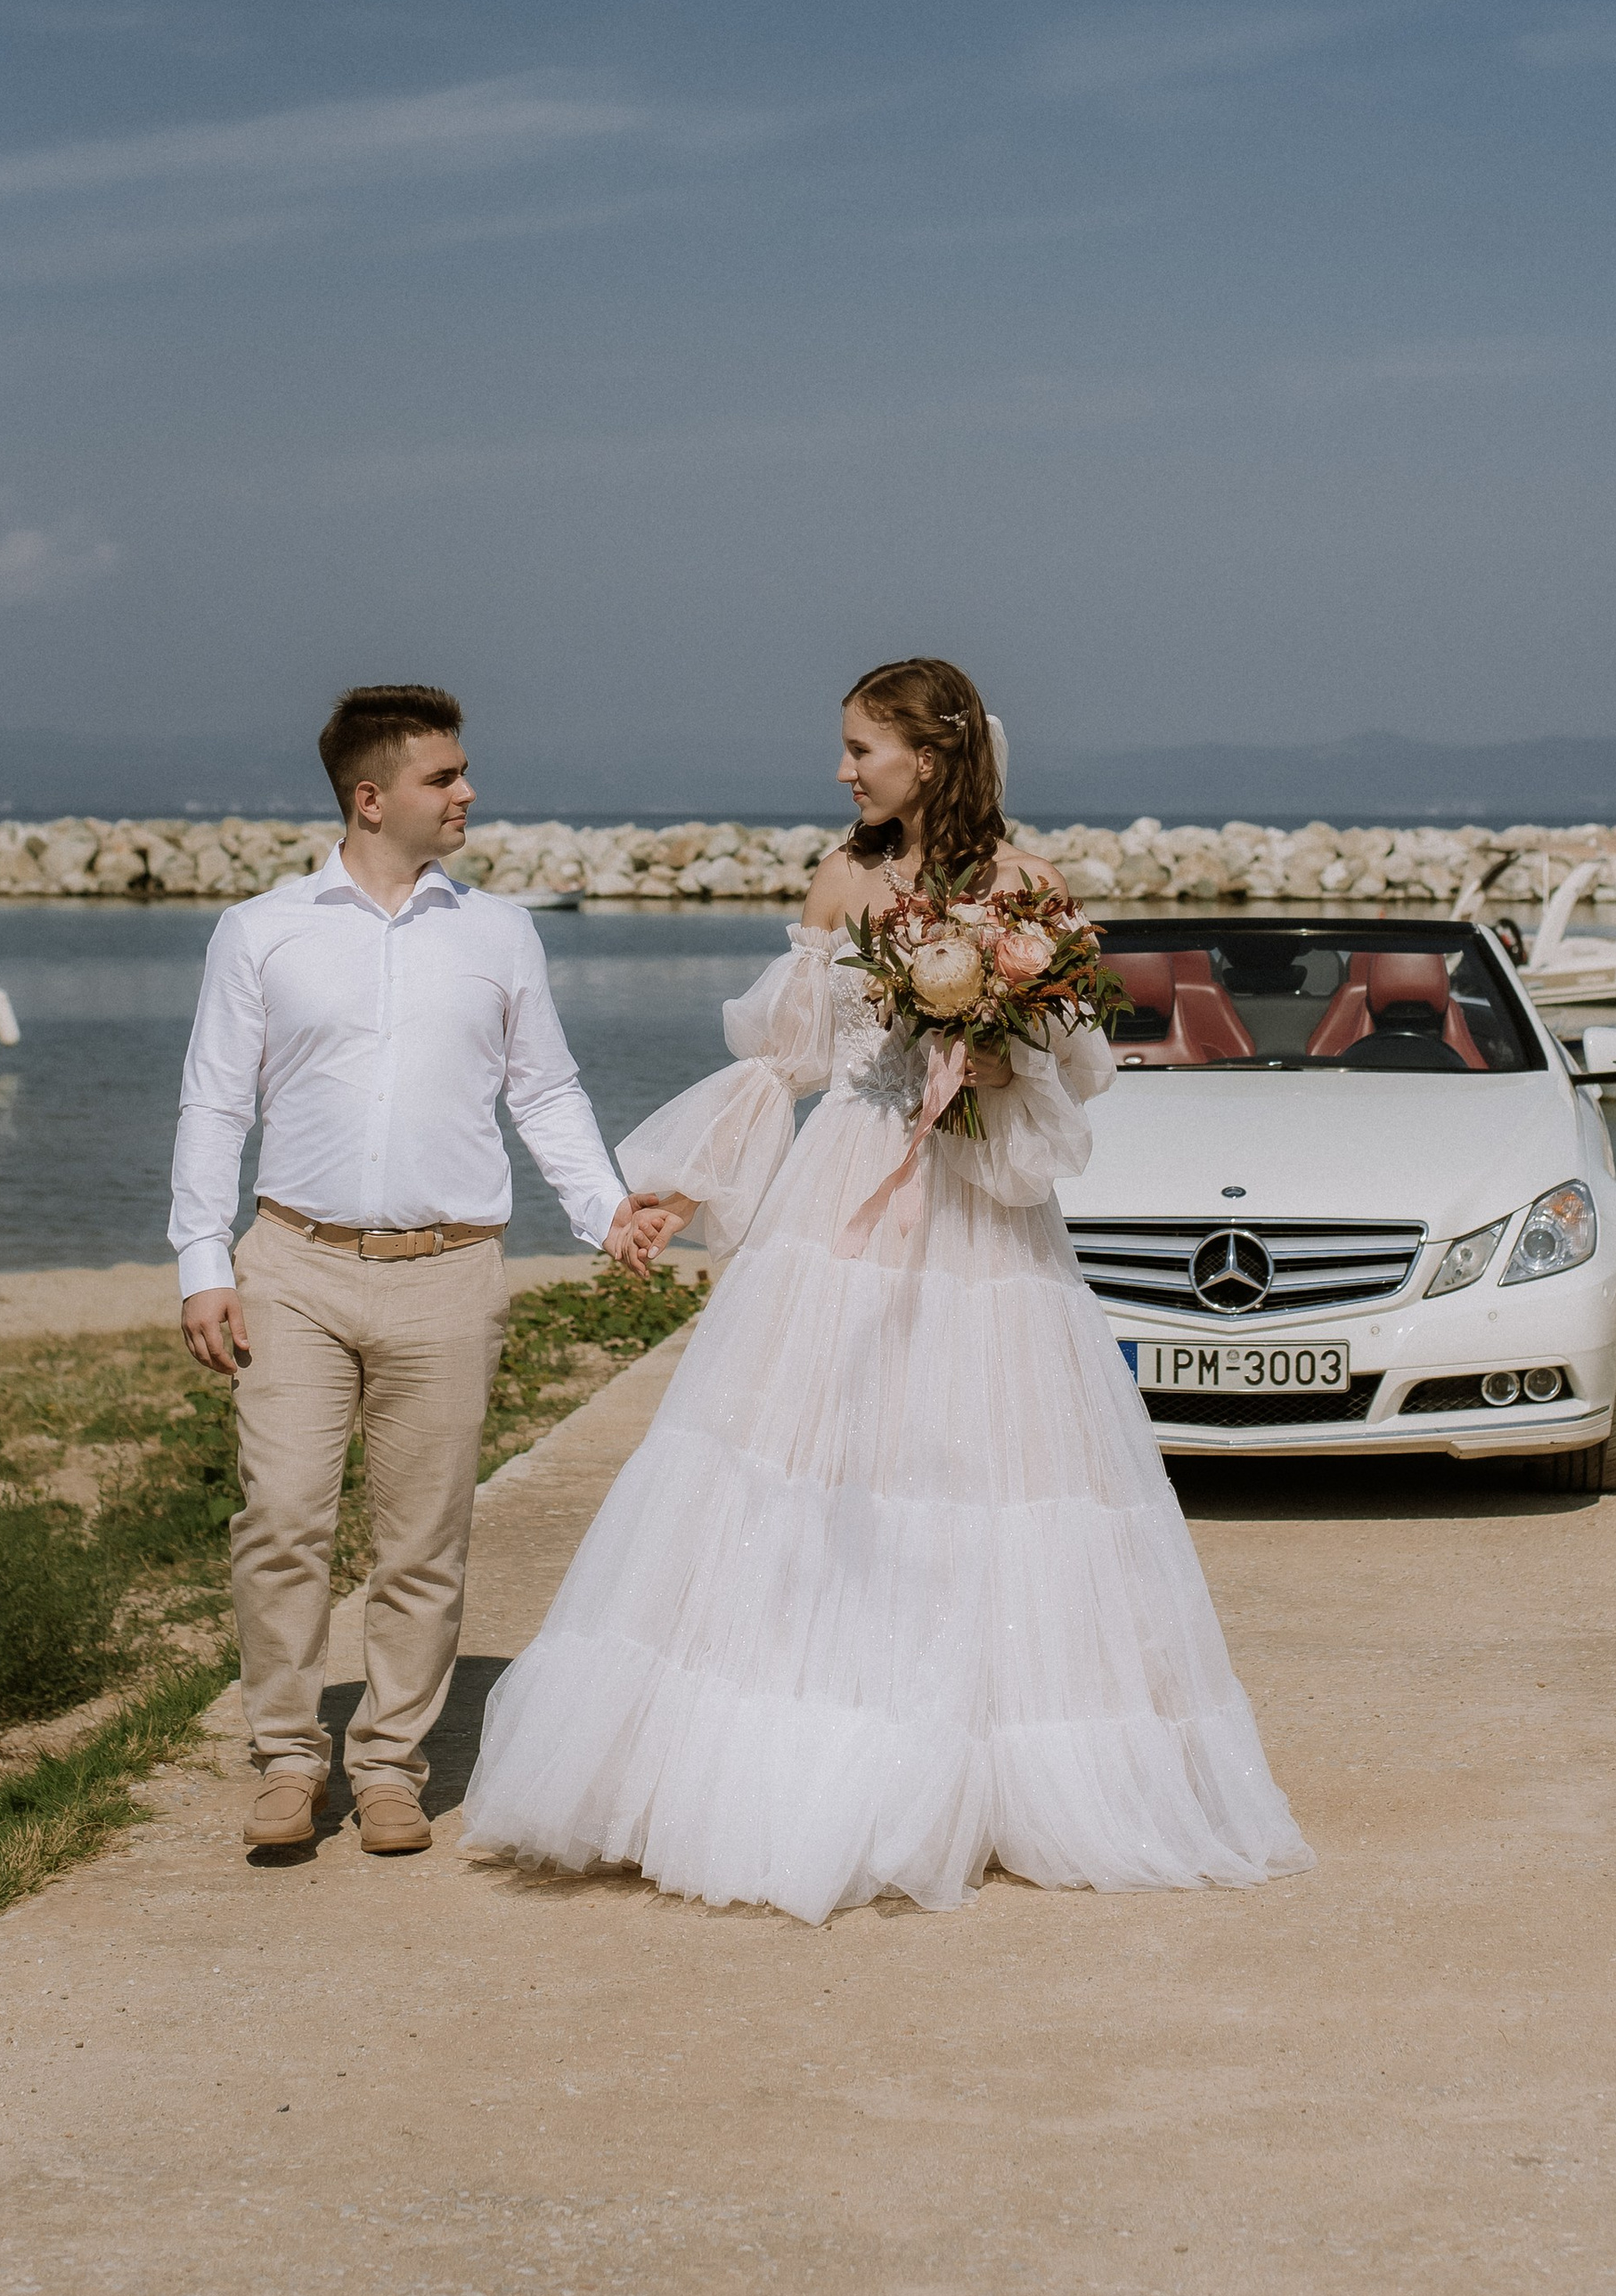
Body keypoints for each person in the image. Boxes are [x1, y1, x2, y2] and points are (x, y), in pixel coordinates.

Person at [460, 655, 1311, 1921]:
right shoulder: (842, 878)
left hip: (975, 1208)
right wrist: (676, 1189)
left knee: (986, 1467)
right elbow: (787, 1065)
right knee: (813, 1464)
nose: (843, 770)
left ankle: (997, 1767)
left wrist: (998, 1039)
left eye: (863, 748)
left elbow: (1084, 1068)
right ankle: (785, 1760)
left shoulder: (1027, 887)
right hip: (849, 1190)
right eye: (848, 749)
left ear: (934, 754)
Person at [171, 684, 667, 1859]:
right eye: (445, 776)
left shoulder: (497, 931)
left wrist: (605, 1214)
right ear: (371, 795)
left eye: (462, 772)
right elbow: (213, 1103)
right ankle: (290, 1758)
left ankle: (390, 1763)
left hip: (449, 1273)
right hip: (291, 1263)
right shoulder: (261, 930)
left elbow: (543, 1092)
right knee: (281, 1520)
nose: (467, 792)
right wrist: (203, 1260)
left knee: (423, 1538)